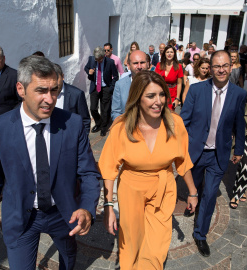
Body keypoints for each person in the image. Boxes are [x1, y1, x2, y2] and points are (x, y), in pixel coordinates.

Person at [0, 55, 101, 269]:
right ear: (21, 89)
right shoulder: (0, 128)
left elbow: (89, 172)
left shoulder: (71, 124)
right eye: (41, 90)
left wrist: (87, 208)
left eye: (54, 90)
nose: (50, 99)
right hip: (20, 219)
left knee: (68, 261)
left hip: (64, 214)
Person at [99, 70, 197, 269]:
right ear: (137, 98)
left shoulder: (175, 123)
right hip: (131, 188)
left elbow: (183, 161)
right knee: (132, 241)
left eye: (161, 94)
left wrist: (193, 192)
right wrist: (109, 206)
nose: (158, 101)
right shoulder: (122, 126)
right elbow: (109, 168)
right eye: (151, 96)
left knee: (156, 244)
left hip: (163, 187)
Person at [180, 50, 247, 257]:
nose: (221, 70)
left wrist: (238, 148)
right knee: (196, 188)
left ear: (231, 67)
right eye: (216, 66)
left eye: (225, 65)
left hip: (219, 154)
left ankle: (200, 234)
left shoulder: (239, 94)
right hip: (197, 151)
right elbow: (184, 120)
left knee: (210, 195)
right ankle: (193, 203)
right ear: (210, 68)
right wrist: (181, 148)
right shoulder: (197, 90)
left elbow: (239, 123)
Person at [84, 46, 118, 136]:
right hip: (95, 87)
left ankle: (103, 127)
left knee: (105, 109)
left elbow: (115, 76)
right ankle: (98, 123)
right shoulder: (92, 59)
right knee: (93, 108)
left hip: (106, 87)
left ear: (103, 57)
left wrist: (111, 88)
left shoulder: (110, 62)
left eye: (99, 60)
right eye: (96, 59)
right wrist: (89, 72)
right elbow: (86, 68)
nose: (97, 61)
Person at [54, 63, 91, 135]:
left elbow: (85, 120)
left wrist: (82, 141)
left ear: (62, 76)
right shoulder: (45, 95)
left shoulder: (76, 94)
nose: (53, 83)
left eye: (56, 79)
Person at [111, 51, 148, 120]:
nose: (139, 66)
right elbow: (116, 112)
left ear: (147, 63)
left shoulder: (155, 83)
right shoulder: (120, 85)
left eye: (142, 62)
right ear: (128, 65)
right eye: (135, 63)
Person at [155, 45, 183, 110]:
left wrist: (177, 98)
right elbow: (155, 80)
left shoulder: (178, 66)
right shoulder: (159, 65)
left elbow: (179, 83)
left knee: (169, 115)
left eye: (171, 52)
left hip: (172, 95)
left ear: (174, 54)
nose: (169, 54)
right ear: (164, 53)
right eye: (167, 52)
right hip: (160, 93)